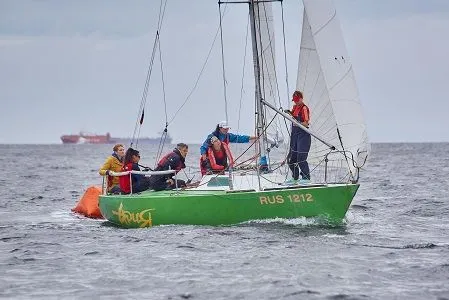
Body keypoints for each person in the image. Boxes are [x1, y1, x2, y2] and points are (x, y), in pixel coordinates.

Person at [285, 90, 311, 182]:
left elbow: (306, 123)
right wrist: (289, 113)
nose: (295, 101)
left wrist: (298, 122)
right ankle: (295, 178)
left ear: (301, 99)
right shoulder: (295, 107)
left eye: (297, 100)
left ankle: (306, 178)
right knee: (291, 158)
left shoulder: (304, 108)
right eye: (294, 100)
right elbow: (293, 117)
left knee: (301, 158)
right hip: (295, 134)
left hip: (303, 134)